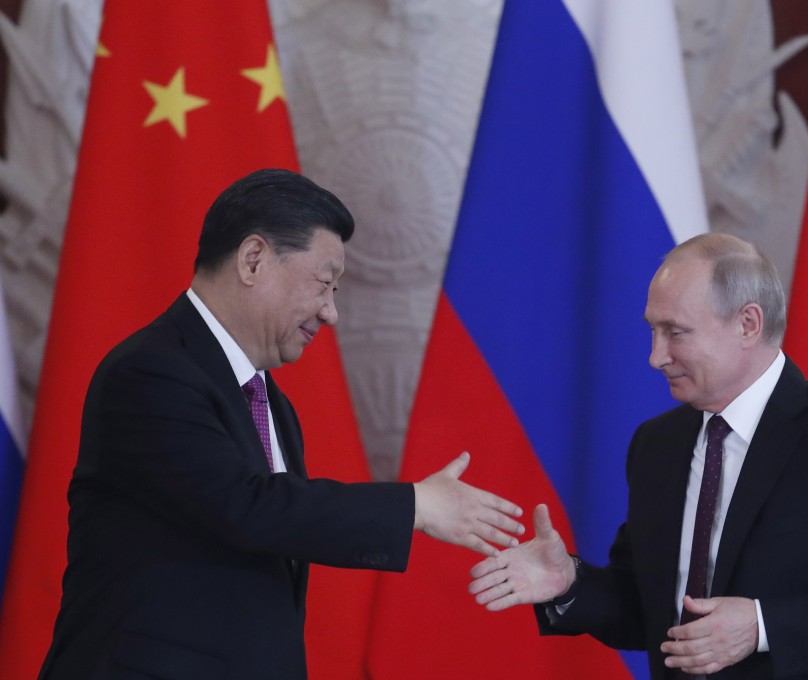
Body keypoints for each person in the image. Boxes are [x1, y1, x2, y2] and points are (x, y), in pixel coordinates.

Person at [37, 168, 525, 680]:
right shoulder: (150, 371)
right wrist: (415, 506)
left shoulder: (272, 403)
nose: (331, 312)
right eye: (324, 283)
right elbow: (245, 507)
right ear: (253, 260)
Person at [469, 233, 808, 678]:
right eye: (652, 331)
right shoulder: (656, 444)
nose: (655, 357)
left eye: (675, 332)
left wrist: (762, 626)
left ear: (747, 323)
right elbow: (647, 610)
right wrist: (569, 582)